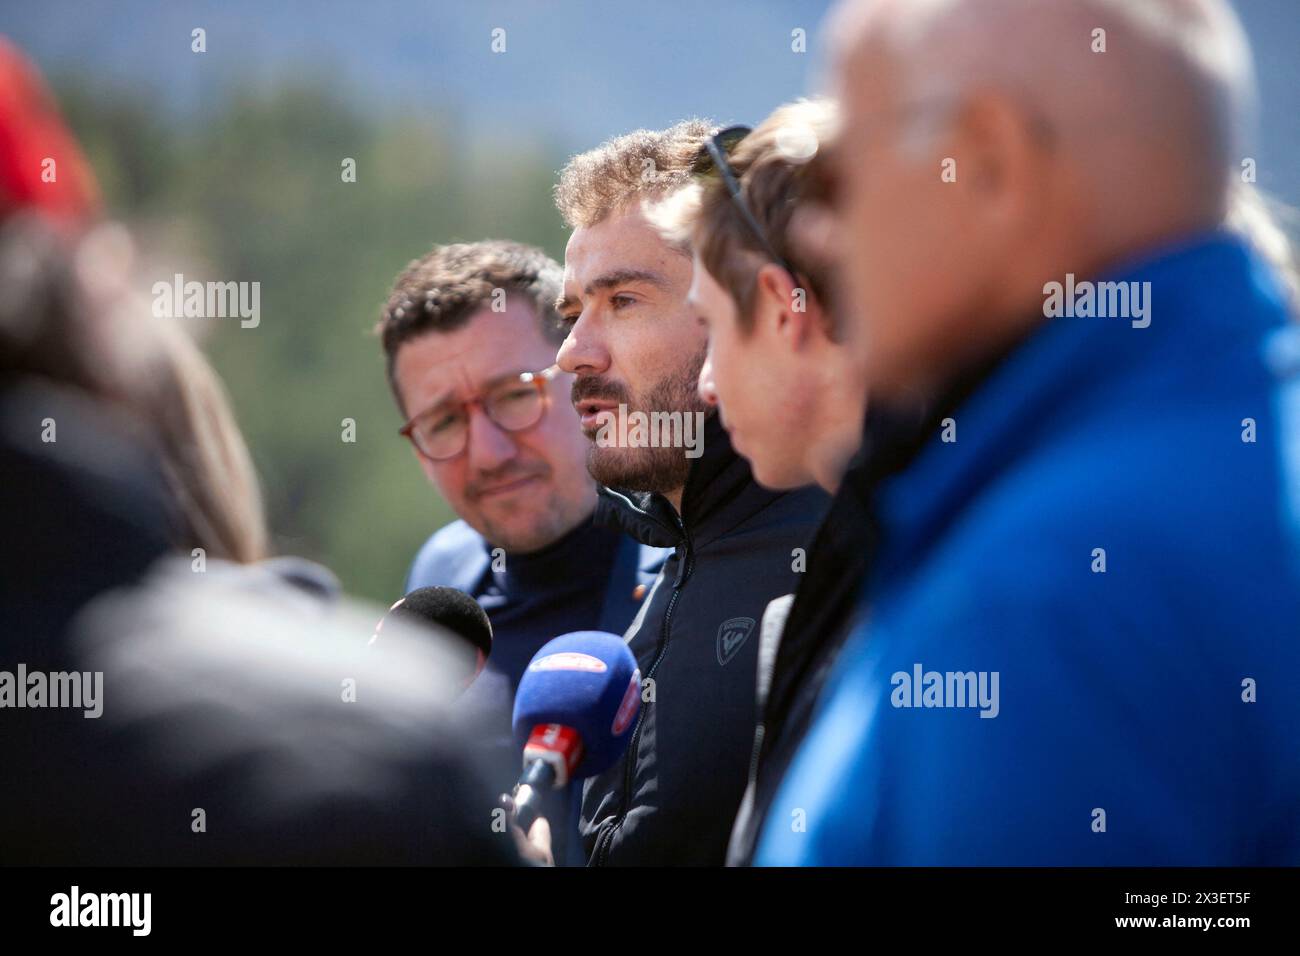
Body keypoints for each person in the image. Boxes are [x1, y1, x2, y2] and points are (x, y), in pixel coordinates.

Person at [757, 0, 1300, 865]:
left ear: (989, 162)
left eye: (836, 173)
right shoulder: (1227, 458)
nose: (818, 232)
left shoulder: (1053, 600)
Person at [551, 121, 829, 865]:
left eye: (624, 301)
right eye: (571, 312)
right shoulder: (675, 559)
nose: (572, 352)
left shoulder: (843, 551)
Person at [376, 239, 666, 864]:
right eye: (444, 422)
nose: (488, 453)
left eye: (513, 394)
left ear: (581, 372)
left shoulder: (691, 575)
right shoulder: (440, 585)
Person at [647, 97, 881, 865]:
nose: (706, 385)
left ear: (785, 309)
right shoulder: (892, 555)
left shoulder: (960, 580)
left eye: (712, 328)